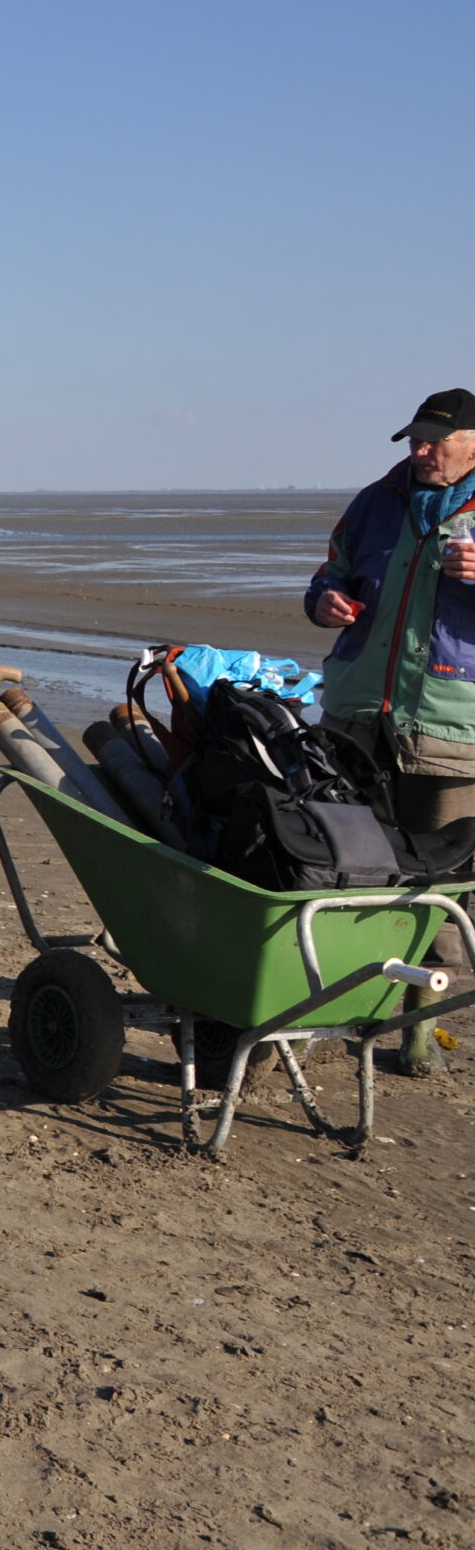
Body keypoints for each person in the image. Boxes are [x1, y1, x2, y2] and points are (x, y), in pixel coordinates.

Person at [305, 387, 475, 1077]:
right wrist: (323, 600)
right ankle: (332, 1002)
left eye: (436, 440)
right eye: (415, 439)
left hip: (450, 729)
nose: (422, 451)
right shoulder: (376, 500)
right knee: (346, 866)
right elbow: (331, 569)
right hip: (354, 717)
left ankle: (418, 1029)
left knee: (441, 881)